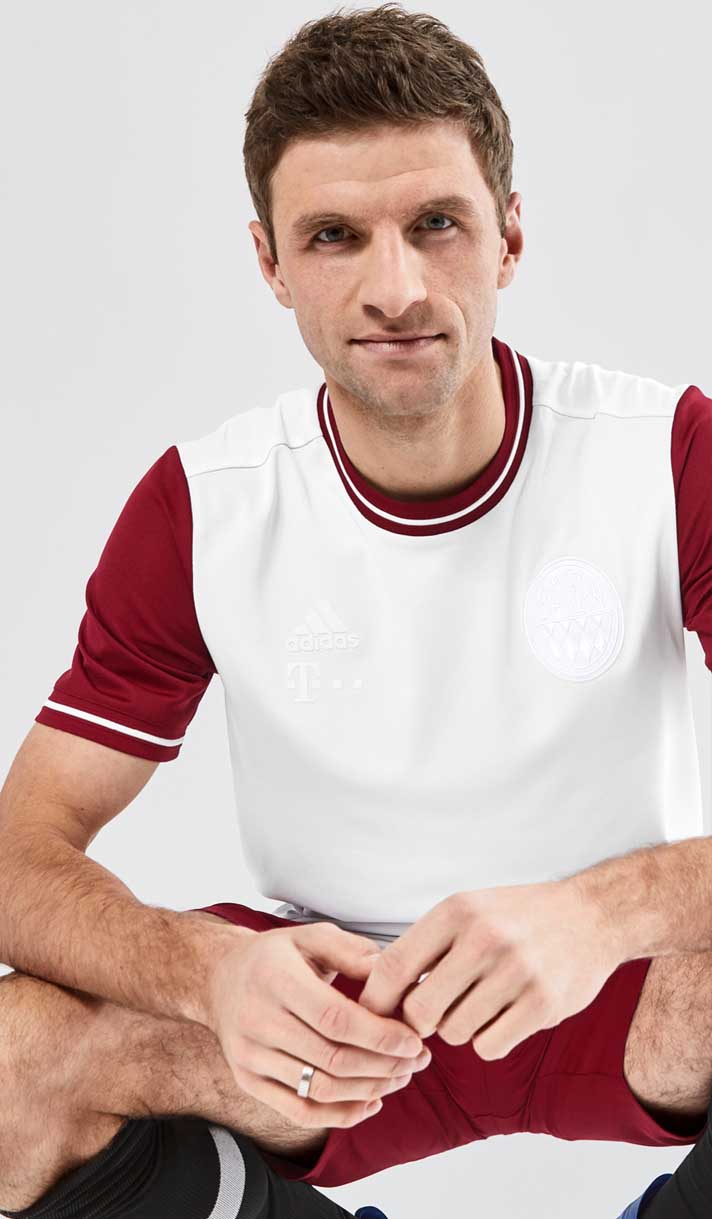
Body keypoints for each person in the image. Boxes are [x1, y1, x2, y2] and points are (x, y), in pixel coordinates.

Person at [0, 4, 711, 1218]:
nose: (395, 287)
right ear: (271, 264)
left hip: (631, 979)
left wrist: (601, 910)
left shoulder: (666, 451)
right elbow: (22, 854)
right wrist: (206, 969)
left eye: (436, 223)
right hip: (340, 1016)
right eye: (334, 236)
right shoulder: (204, 506)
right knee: (15, 1059)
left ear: (509, 235)